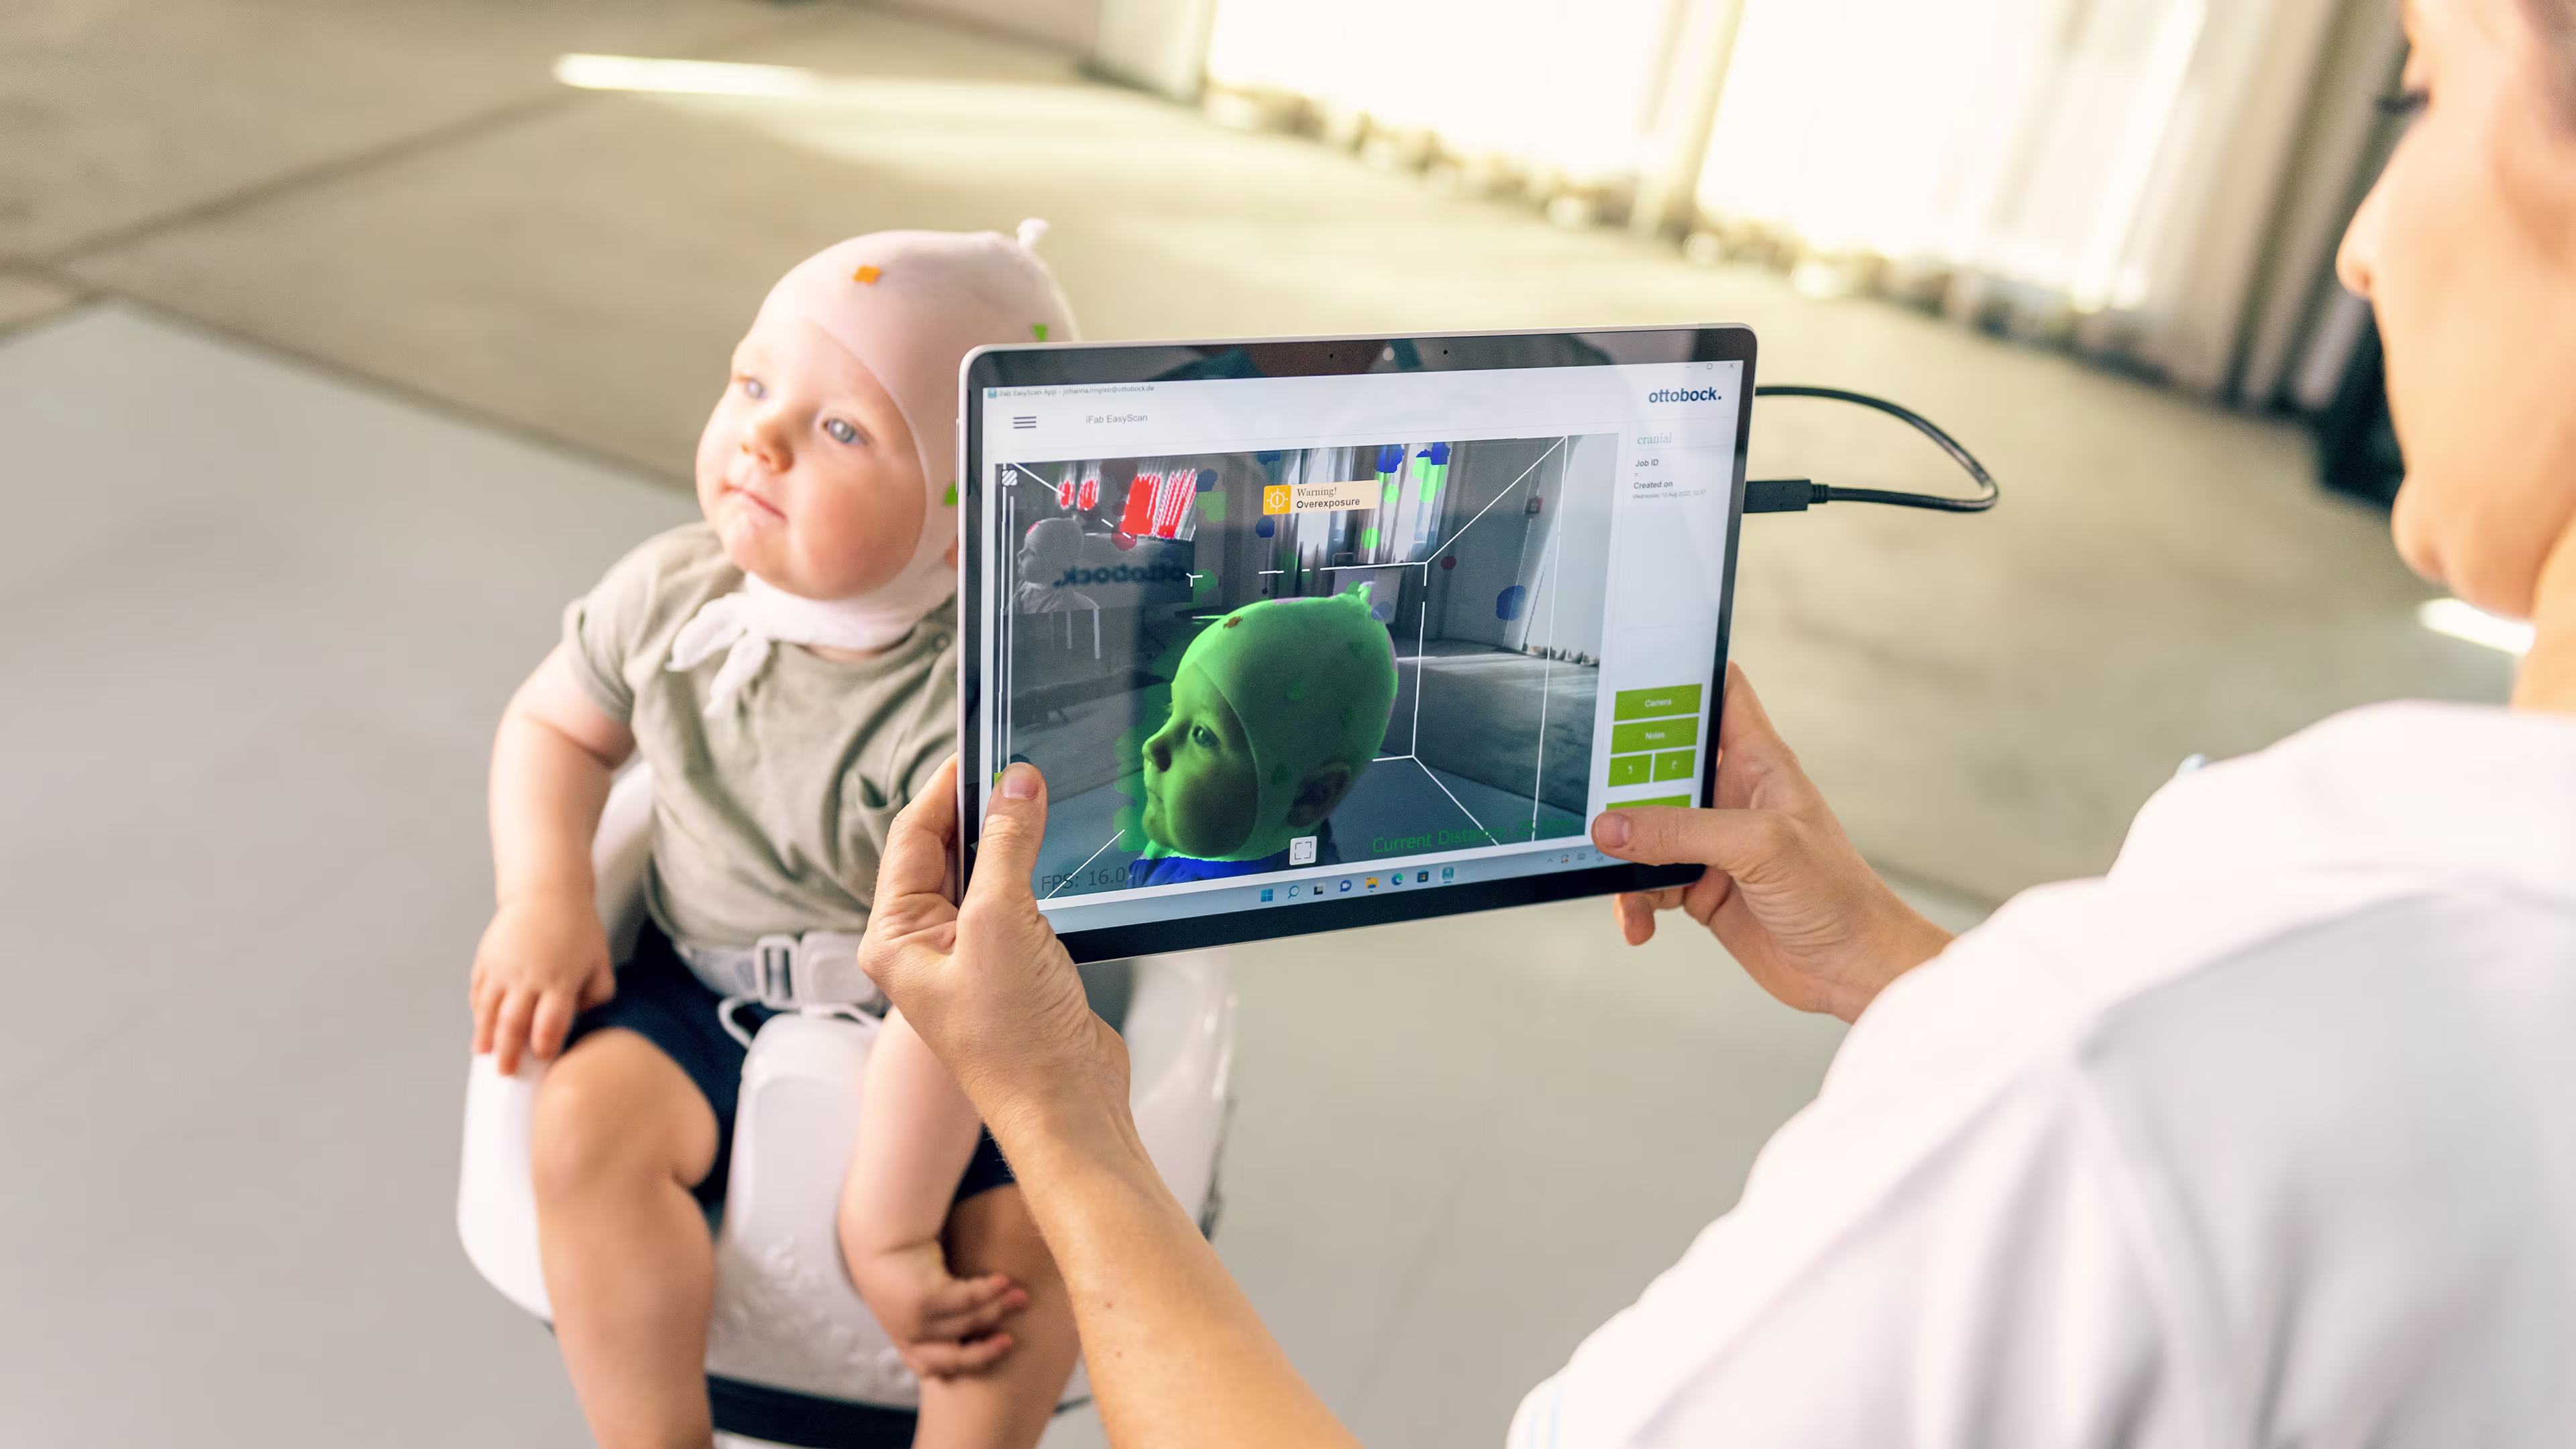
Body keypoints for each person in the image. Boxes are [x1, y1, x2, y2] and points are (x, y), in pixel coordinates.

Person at [846, 0, 2576, 1444]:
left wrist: (1065, 1127)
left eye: (2419, 92)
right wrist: (1907, 968)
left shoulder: (2128, 1060)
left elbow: (2157, 1120)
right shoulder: (2266, 1017)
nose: (2359, 242)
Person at [467, 223, 1083, 1449]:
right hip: (702, 988)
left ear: (971, 520)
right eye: (753, 385)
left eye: (842, 429)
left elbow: (960, 981)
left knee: (1034, 1260)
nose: (762, 437)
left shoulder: (974, 706)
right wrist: (544, 895)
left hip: (944, 1035)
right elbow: (554, 729)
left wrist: (889, 1229)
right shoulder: (668, 594)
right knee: (582, 1130)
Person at [1128, 587, 1393, 888]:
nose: (1152, 746)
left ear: (1309, 797)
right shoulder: (1188, 840)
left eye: (1203, 736)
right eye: (1171, 711)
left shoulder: (1292, 905)